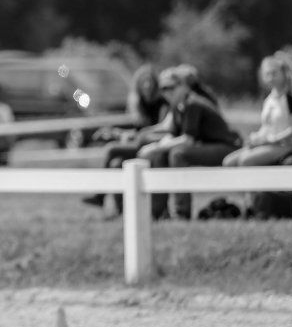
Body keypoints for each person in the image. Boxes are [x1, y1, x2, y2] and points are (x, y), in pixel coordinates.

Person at [138, 65, 241, 220]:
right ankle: (158, 212)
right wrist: (150, 142)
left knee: (178, 154)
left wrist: (155, 147)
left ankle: (182, 212)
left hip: (227, 147)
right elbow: (171, 134)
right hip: (207, 146)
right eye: (163, 89)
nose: (167, 93)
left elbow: (187, 139)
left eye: (171, 88)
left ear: (182, 86)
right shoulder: (178, 105)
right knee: (160, 155)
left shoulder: (193, 103)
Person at [83, 64, 171, 213]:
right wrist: (116, 132)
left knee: (111, 149)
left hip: (152, 146)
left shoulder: (163, 103)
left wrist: (136, 135)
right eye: (144, 82)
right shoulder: (140, 104)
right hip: (141, 143)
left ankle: (100, 195)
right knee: (116, 164)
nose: (147, 85)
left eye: (150, 82)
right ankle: (123, 210)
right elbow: (138, 131)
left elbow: (160, 130)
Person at [223, 53, 292, 167]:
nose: (270, 78)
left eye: (274, 73)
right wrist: (257, 138)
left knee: (246, 161)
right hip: (270, 144)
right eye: (267, 74)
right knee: (228, 162)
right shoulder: (269, 99)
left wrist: (272, 139)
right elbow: (267, 127)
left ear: (284, 73)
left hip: (288, 145)